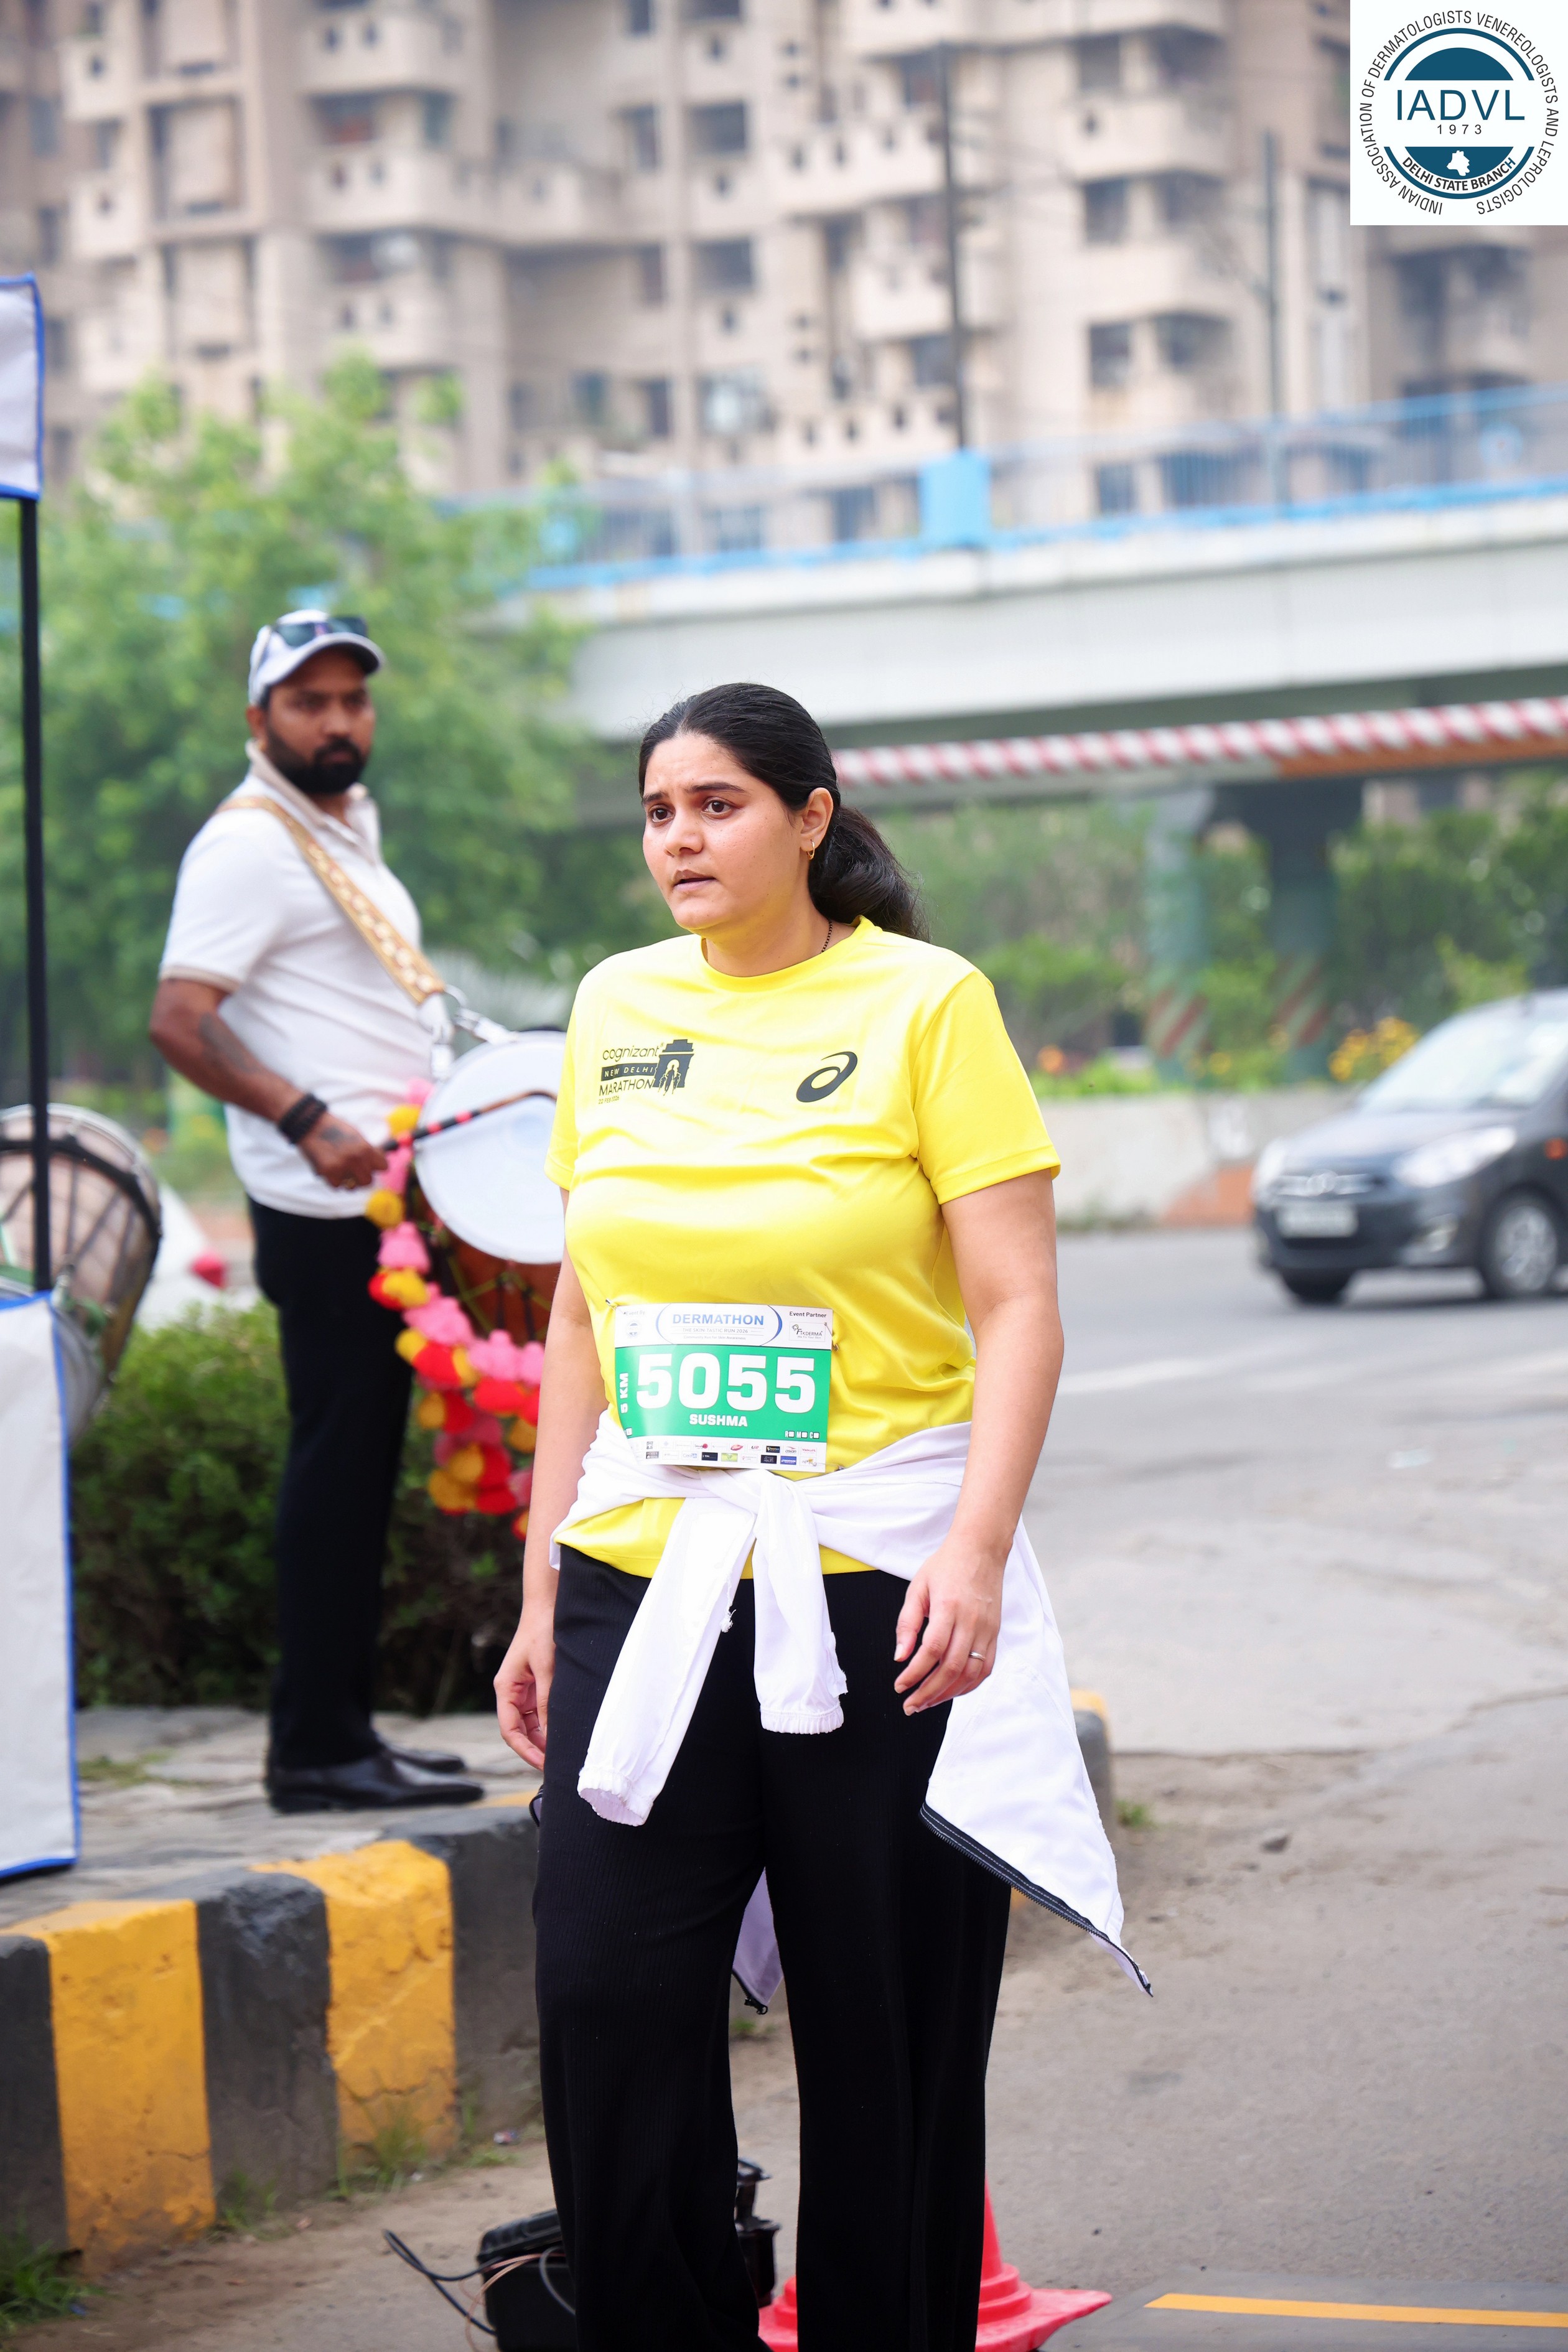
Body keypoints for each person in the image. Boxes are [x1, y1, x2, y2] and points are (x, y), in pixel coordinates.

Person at [494, 683, 1131, 2352]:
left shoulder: (928, 1003)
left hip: (878, 1580)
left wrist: (975, 1548)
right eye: (657, 811)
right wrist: (541, 1589)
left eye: (717, 805)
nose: (679, 839)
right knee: (605, 1987)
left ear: (811, 819)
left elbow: (1018, 1304)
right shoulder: (614, 1004)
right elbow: (580, 1317)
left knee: (885, 2033)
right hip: (647, 1574)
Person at [150, 611, 483, 1814]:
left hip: (381, 1200)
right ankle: (317, 1749)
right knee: (338, 1467)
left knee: (360, 1464)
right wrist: (304, 1118)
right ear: (260, 721)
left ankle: (344, 1734)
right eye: (309, 702)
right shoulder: (248, 844)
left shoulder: (335, 827)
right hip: (321, 1201)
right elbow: (180, 1019)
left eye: (353, 699)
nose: (339, 721)